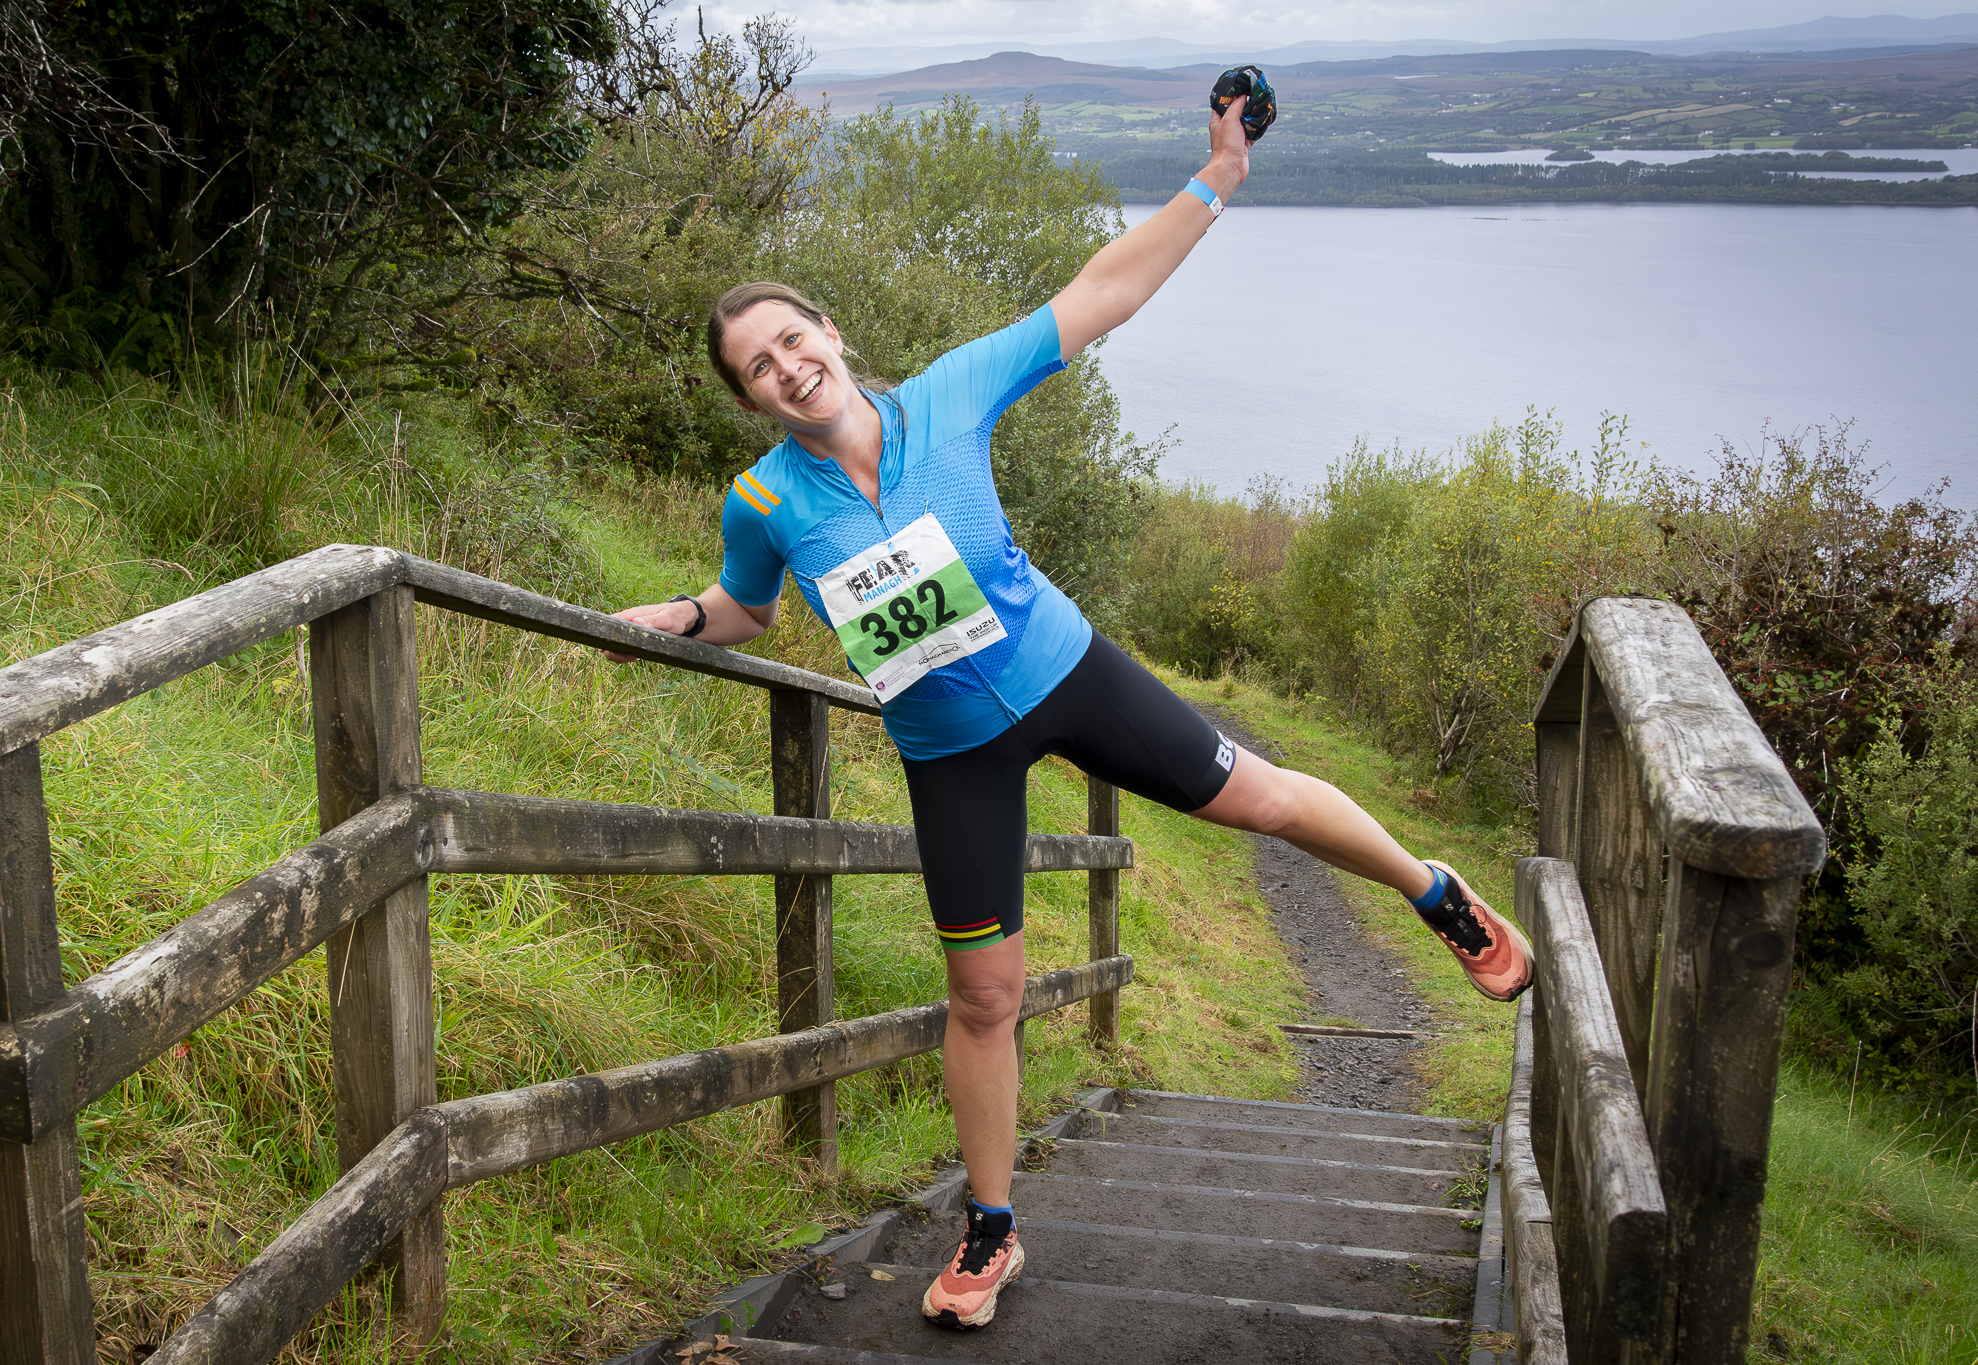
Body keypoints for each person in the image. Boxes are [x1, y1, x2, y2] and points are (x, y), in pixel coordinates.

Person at [607, 94, 1533, 1332]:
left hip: (1065, 674)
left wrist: (1218, 174)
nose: (787, 369)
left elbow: (1103, 292)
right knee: (983, 996)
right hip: (949, 754)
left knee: (1260, 799)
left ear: (829, 331)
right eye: (757, 368)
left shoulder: (946, 395)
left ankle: (1432, 893)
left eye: (792, 340)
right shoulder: (761, 501)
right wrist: (684, 614)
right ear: (749, 397)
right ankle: (990, 1230)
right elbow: (748, 608)